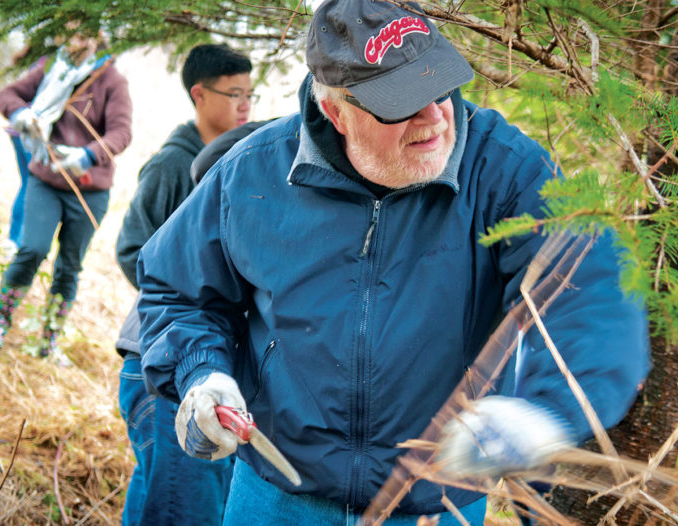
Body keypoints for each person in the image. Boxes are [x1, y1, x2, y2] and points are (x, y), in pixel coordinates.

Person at [136, 1, 650, 524]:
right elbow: (178, 290)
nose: (435, 116)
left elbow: (594, 287)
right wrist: (202, 372)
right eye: (401, 103)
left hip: (434, 505)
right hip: (277, 497)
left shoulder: (504, 171)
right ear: (337, 112)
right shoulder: (250, 174)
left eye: (439, 86)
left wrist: (546, 410)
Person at [114, 43, 254, 526]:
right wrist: (187, 290)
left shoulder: (239, 159)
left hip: (195, 361)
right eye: (233, 94)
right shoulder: (174, 165)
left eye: (249, 95)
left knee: (158, 494)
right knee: (181, 508)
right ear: (199, 95)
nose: (244, 105)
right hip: (166, 361)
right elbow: (134, 248)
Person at [0, 25, 132, 366]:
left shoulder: (112, 80)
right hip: (45, 180)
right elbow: (8, 95)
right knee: (32, 248)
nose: (76, 40)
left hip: (89, 190)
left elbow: (121, 132)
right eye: (70, 34)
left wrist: (88, 155)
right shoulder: (52, 67)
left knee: (69, 267)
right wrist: (22, 114)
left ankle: (49, 340)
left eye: (83, 34)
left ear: (97, 37)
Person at [1, 49, 48, 259]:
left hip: (19, 131)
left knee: (27, 183)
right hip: (27, 133)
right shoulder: (50, 64)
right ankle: (16, 241)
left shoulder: (42, 60)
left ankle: (15, 240)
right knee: (31, 184)